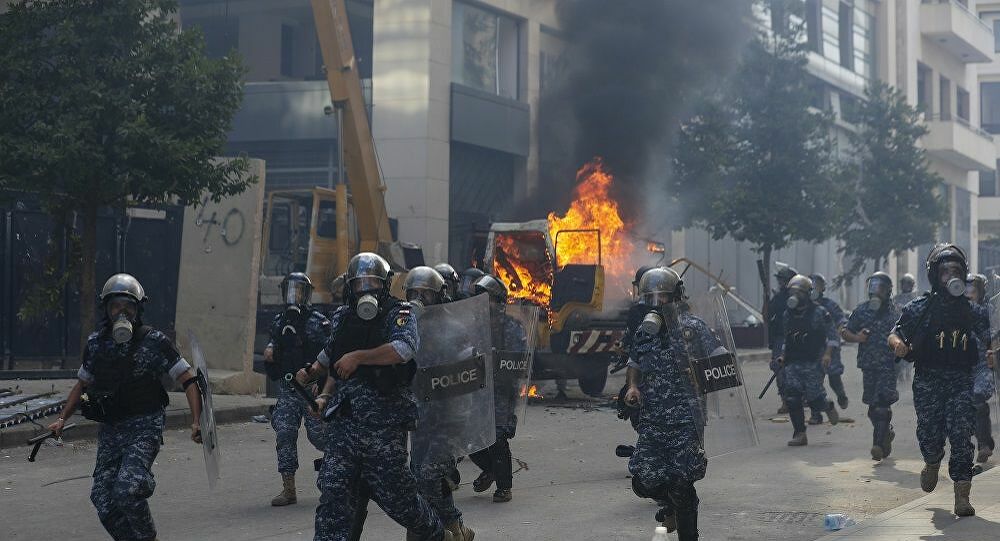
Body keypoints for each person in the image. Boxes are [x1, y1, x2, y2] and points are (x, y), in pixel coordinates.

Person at [299, 253, 454, 541]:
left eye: (373, 282)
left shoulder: (400, 314)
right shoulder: (343, 317)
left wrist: (359, 357)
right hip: (346, 427)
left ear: (384, 286)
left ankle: (439, 534)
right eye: (360, 283)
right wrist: (314, 382)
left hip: (384, 428)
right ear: (351, 287)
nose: (366, 289)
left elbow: (403, 349)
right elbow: (330, 359)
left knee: (400, 500)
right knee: (333, 491)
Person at [47, 274, 204, 541]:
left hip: (144, 426)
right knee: (103, 499)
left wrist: (197, 421)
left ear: (138, 309)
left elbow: (188, 379)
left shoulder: (154, 341)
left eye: (128, 306)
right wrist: (61, 419)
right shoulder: (96, 344)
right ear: (106, 309)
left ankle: (146, 535)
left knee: (128, 489)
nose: (122, 312)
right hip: (111, 430)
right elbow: (81, 385)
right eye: (116, 306)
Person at [888, 244, 989, 517]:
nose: (950, 276)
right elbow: (895, 333)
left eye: (956, 271)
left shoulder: (973, 311)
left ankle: (962, 494)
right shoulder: (919, 308)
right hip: (928, 381)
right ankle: (932, 462)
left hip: (961, 382)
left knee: (961, 436)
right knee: (930, 435)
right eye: (945, 271)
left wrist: (991, 351)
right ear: (935, 275)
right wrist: (898, 345)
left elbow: (990, 336)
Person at [624, 267, 720, 540]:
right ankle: (671, 506)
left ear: (677, 296)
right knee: (643, 481)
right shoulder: (645, 333)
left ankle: (687, 530)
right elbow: (635, 363)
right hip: (653, 419)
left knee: (682, 482)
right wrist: (632, 386)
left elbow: (721, 362)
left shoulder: (694, 329)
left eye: (663, 297)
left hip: (685, 421)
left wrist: (700, 372)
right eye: (651, 298)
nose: (658, 303)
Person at [404, 266, 476, 541]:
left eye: (425, 293)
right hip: (420, 416)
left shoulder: (455, 327)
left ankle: (449, 528)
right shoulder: (406, 326)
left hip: (451, 417)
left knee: (429, 475)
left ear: (439, 296)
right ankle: (448, 530)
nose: (419, 298)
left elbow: (469, 372)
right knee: (421, 478)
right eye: (414, 293)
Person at [264, 272, 331, 506]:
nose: (294, 296)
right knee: (284, 433)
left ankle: (337, 476)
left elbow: (330, 354)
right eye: (291, 290)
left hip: (310, 389)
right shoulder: (279, 321)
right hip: (287, 389)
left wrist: (321, 385)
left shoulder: (318, 322)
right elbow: (274, 344)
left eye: (299, 291)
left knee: (321, 437)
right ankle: (288, 488)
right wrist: (271, 352)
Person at [469, 274, 527, 504]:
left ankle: (504, 486)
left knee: (497, 438)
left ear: (499, 302)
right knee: (470, 439)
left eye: (488, 299)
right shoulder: (472, 325)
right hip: (474, 387)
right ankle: (491, 469)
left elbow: (516, 361)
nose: (483, 304)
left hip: (501, 389)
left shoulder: (511, 327)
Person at [841, 272, 901, 461]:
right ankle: (886, 433)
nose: (876, 291)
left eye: (880, 287)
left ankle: (877, 445)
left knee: (882, 405)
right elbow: (845, 331)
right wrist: (856, 337)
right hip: (868, 365)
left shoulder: (896, 313)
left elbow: (908, 334)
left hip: (888, 366)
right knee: (872, 408)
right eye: (872, 286)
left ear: (888, 290)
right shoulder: (862, 310)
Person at [776, 274, 840, 447]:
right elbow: (788, 338)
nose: (794, 295)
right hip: (794, 361)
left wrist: (827, 354)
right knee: (792, 397)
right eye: (792, 292)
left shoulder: (819, 312)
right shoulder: (787, 314)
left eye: (798, 292)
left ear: (807, 294)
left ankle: (827, 406)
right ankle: (799, 433)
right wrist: (783, 356)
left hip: (814, 362)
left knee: (814, 400)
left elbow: (833, 336)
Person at [808, 273, 849, 424]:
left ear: (822, 287)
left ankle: (841, 394)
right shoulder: (804, 306)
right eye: (811, 284)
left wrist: (838, 331)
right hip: (813, 350)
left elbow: (842, 321)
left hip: (830, 347)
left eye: (816, 284)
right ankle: (816, 414)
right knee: (813, 382)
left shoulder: (829, 305)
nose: (813, 287)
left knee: (833, 377)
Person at [966, 273, 995, 464]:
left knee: (977, 400)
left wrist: (993, 350)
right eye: (966, 290)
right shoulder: (956, 309)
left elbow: (995, 332)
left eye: (973, 291)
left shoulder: (989, 310)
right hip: (963, 366)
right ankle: (983, 441)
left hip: (983, 364)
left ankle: (984, 445)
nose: (969, 294)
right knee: (965, 408)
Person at [768, 263, 798, 414]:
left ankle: (801, 398)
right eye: (780, 280)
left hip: (796, 338)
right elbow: (768, 316)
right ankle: (785, 400)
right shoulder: (778, 298)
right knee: (778, 367)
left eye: (784, 280)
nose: (781, 283)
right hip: (780, 337)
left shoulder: (798, 298)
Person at [893, 273, 919, 383]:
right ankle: (900, 376)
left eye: (908, 283)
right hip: (899, 329)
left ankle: (908, 375)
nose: (906, 286)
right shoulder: (896, 298)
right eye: (904, 283)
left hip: (911, 330)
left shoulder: (916, 298)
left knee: (910, 356)